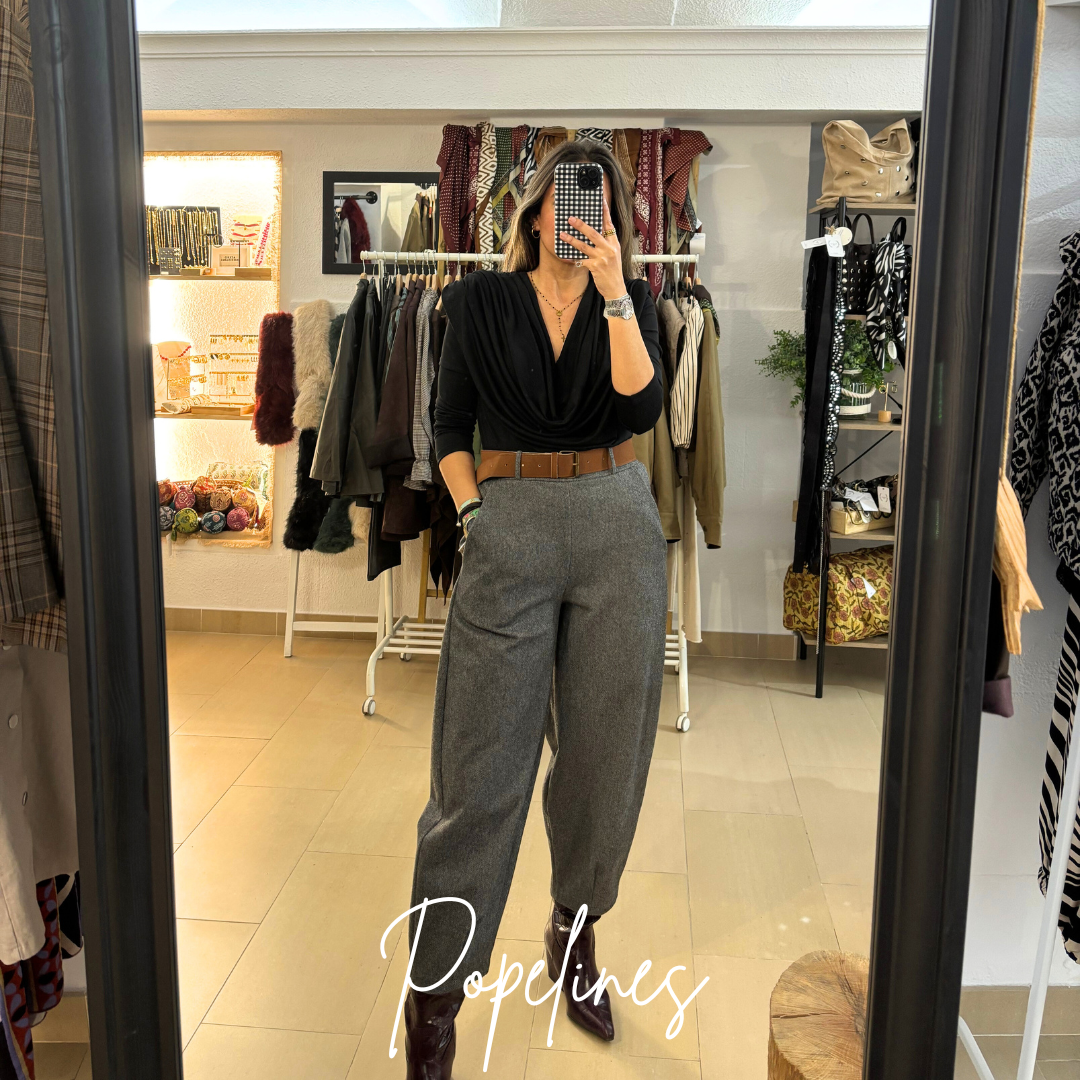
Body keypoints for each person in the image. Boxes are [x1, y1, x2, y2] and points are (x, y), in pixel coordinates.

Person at [403, 139, 669, 1078]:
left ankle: (573, 929)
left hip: (617, 527)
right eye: (563, 197)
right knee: (478, 769)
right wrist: (475, 514)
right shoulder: (477, 300)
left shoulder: (636, 305)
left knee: (604, 758)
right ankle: (435, 995)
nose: (575, 217)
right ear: (532, 209)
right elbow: (446, 426)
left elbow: (643, 410)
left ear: (615, 221)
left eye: (594, 202)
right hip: (508, 524)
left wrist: (617, 294)